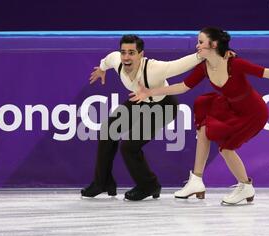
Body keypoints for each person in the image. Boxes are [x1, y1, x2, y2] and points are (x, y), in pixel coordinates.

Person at [131, 27, 269, 205]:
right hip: (230, 106)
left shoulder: (235, 64)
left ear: (213, 45)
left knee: (226, 149)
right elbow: (183, 86)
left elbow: (267, 73)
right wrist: (149, 92)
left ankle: (246, 186)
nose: (196, 46)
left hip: (253, 112)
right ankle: (196, 180)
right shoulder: (204, 67)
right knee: (204, 125)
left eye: (200, 42)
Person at [81, 34, 205, 201]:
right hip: (139, 101)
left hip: (163, 107)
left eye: (131, 53)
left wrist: (201, 55)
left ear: (141, 54)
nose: (126, 57)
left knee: (129, 146)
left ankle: (149, 185)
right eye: (123, 52)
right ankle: (102, 182)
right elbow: (108, 59)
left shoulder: (154, 69)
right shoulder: (117, 60)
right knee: (108, 130)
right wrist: (102, 69)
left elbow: (179, 65)